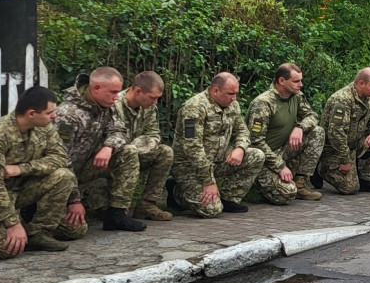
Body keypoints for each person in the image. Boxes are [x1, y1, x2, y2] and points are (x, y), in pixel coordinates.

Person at [0, 87, 75, 257]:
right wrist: (13, 224)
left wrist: (21, 169)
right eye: (49, 112)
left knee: (64, 176)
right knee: (4, 249)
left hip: (18, 186)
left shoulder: (44, 127)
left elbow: (60, 158)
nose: (54, 116)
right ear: (31, 113)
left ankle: (37, 233)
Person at [54, 67, 144, 235]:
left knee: (128, 152)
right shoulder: (67, 115)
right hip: (61, 178)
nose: (117, 96)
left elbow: (119, 130)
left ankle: (116, 214)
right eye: (113, 92)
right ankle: (35, 215)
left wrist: (108, 147)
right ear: (96, 88)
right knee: (73, 231)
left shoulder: (106, 106)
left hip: (84, 170)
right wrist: (74, 200)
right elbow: (60, 159)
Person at [170, 73, 266, 217]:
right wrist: (209, 181)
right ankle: (176, 193)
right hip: (190, 167)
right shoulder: (194, 108)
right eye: (230, 94)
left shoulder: (232, 105)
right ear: (216, 91)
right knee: (211, 209)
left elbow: (242, 131)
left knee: (256, 155)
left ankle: (229, 198)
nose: (234, 98)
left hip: (218, 159)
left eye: (236, 94)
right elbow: (193, 149)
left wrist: (240, 148)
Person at [246, 62, 324, 204]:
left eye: (301, 80)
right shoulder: (263, 103)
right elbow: (255, 142)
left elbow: (312, 116)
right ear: (281, 81)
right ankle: (257, 185)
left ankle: (300, 182)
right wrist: (280, 166)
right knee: (286, 195)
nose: (300, 84)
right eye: (296, 81)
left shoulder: (296, 96)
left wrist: (299, 127)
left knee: (317, 132)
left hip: (283, 149)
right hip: (264, 158)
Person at [315, 69, 370, 194]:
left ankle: (366, 178)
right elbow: (336, 133)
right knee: (350, 188)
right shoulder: (342, 99)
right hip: (335, 149)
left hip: (354, 143)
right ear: (361, 83)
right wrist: (345, 160)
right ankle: (321, 168)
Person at [114, 71, 174, 221]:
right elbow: (112, 141)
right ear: (138, 91)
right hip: (114, 160)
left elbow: (154, 134)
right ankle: (118, 205)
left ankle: (147, 204)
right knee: (101, 209)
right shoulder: (115, 105)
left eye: (157, 99)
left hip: (136, 152)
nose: (155, 103)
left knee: (165, 152)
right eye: (152, 98)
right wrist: (133, 148)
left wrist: (139, 147)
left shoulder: (149, 108)